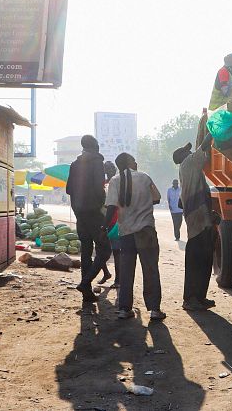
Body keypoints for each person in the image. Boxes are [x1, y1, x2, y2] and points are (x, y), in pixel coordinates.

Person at [104, 153, 166, 320]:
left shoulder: (115, 181)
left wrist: (103, 226)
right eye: (133, 160)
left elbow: (111, 207)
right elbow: (157, 198)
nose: (136, 162)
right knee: (150, 269)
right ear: (129, 163)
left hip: (126, 232)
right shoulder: (145, 177)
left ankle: (125, 308)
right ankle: (154, 309)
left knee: (126, 271)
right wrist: (142, 202)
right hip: (145, 230)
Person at [173, 134, 218, 311]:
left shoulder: (188, 170)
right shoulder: (189, 163)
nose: (191, 151)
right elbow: (205, 145)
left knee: (204, 261)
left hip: (199, 221)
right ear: (184, 155)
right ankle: (191, 299)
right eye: (188, 151)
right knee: (198, 261)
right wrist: (212, 128)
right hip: (198, 224)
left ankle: (199, 297)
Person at [66, 135, 111, 302]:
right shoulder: (96, 162)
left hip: (79, 213)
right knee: (105, 250)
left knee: (86, 251)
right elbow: (100, 189)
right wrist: (101, 204)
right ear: (95, 146)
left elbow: (69, 189)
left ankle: (87, 293)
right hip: (94, 213)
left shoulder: (75, 164)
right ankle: (85, 283)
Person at [100, 160, 120, 288]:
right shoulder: (103, 184)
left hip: (114, 220)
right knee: (101, 249)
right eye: (106, 169)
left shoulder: (117, 182)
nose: (109, 171)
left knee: (116, 251)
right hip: (103, 219)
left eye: (111, 168)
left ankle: (118, 279)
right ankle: (107, 273)